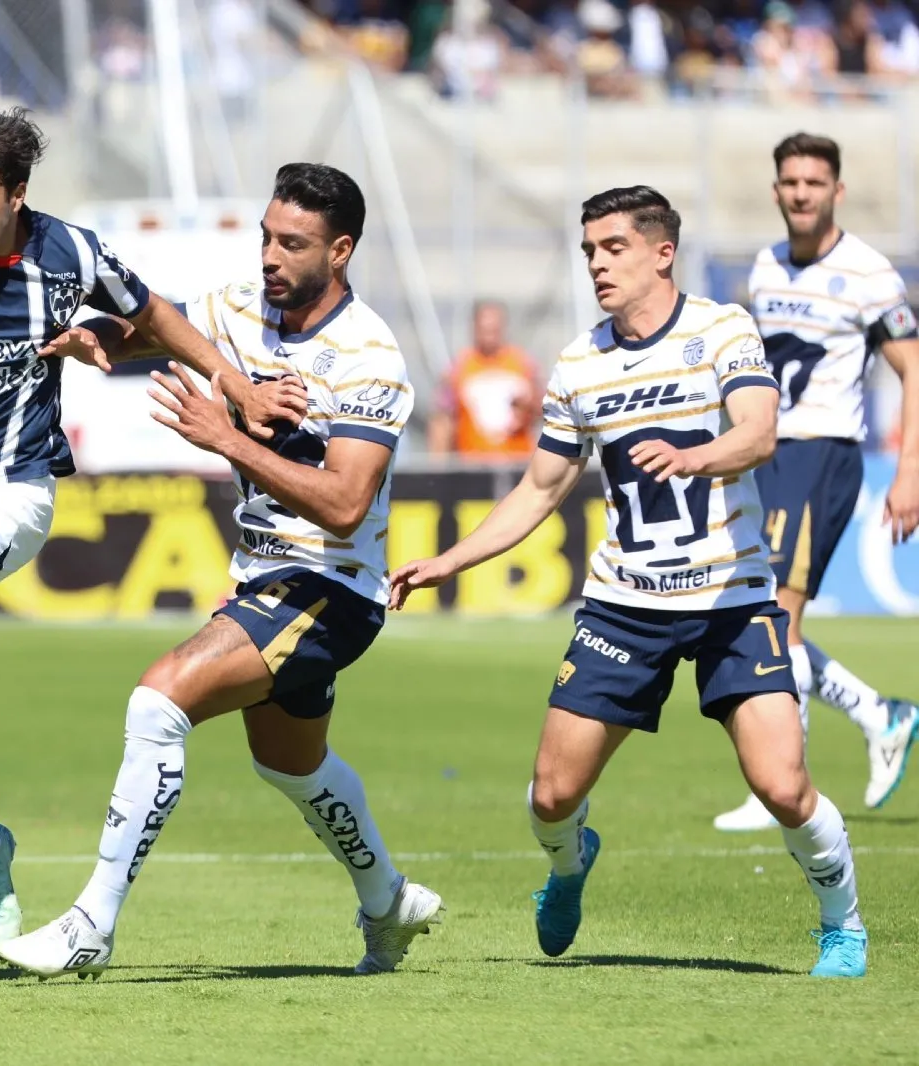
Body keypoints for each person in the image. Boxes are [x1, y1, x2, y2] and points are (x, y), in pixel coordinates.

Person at [0, 107, 306, 960]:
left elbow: (159, 316)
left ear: (16, 193)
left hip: (14, 490)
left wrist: (238, 388)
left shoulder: (69, 251)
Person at [391, 186, 870, 979]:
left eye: (612, 247)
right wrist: (450, 560)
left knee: (783, 786)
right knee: (550, 798)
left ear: (661, 251)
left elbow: (757, 432)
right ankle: (572, 868)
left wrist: (693, 457)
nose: (596, 264)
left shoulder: (723, 329)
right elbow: (540, 490)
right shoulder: (581, 362)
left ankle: (842, 924)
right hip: (625, 607)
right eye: (588, 251)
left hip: (733, 598)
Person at [0, 163, 443, 981]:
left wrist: (226, 439)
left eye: (293, 243)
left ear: (339, 251)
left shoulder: (370, 355)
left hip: (332, 586)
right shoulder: (238, 307)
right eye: (267, 235)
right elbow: (155, 333)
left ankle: (93, 922)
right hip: (263, 580)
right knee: (288, 763)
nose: (271, 255)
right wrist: (93, 341)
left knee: (159, 699)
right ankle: (387, 899)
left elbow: (345, 504)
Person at [712, 133, 919, 831]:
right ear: (776, 191)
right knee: (757, 618)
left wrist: (911, 468)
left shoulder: (868, 273)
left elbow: (913, 368)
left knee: (774, 622)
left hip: (820, 455)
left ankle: (780, 786)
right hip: (766, 457)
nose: (802, 193)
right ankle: (879, 713)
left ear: (837, 191)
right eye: (791, 182)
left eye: (814, 182)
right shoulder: (765, 270)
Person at [428, 299, 541, 459]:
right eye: (484, 329)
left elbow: (544, 410)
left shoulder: (523, 363)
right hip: (472, 465)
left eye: (494, 330)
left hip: (517, 462)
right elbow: (442, 419)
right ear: (474, 328)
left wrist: (528, 405)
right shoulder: (459, 367)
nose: (489, 336)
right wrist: (438, 467)